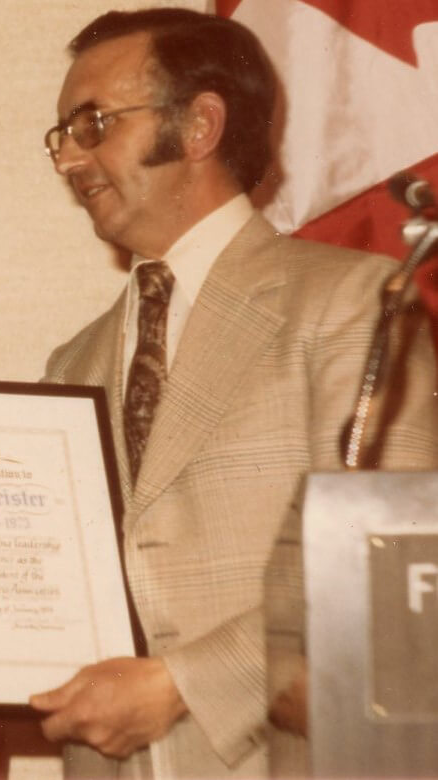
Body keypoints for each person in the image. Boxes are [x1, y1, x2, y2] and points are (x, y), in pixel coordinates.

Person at [23, 7, 438, 778]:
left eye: (92, 124)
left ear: (199, 126)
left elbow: (392, 568)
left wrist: (186, 684)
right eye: (62, 136)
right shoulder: (70, 363)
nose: (68, 159)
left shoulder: (353, 301)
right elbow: (28, 585)